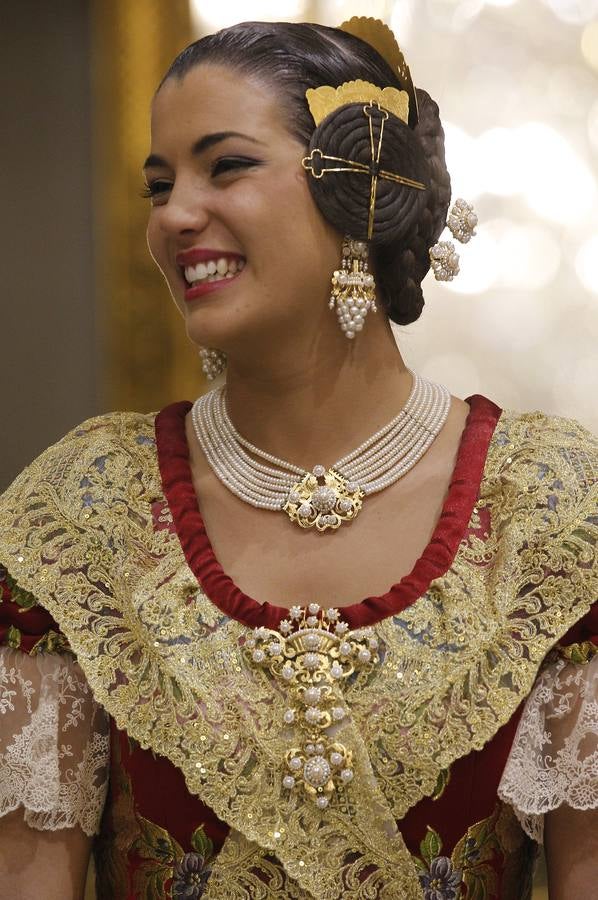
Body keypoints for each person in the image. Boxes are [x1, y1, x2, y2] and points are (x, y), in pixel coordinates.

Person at [0, 17, 596, 900]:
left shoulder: (550, 507)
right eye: (157, 187)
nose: (175, 216)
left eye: (226, 165)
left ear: (363, 186)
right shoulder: (85, 512)